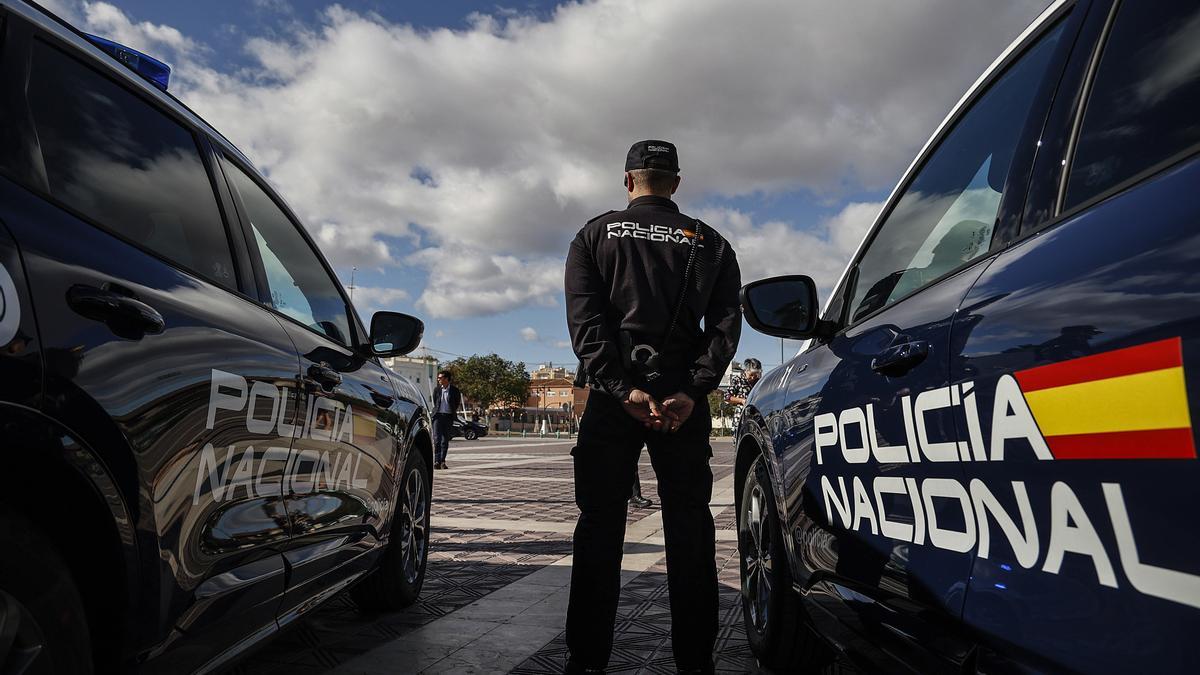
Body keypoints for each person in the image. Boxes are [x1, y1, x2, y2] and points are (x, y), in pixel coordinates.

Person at [564, 139, 741, 674]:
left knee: (599, 525)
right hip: (682, 406)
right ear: (677, 184)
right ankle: (695, 660)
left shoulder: (594, 235)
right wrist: (693, 389)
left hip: (613, 402)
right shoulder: (710, 242)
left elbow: (586, 324)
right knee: (689, 526)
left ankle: (587, 660)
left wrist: (621, 390)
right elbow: (726, 325)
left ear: (628, 181)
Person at [431, 370, 461, 470]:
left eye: (440, 378)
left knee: (445, 440)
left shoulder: (455, 390)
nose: (438, 379)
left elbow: (456, 403)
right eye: (438, 378)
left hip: (448, 417)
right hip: (437, 417)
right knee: (436, 440)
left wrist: (452, 412)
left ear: (446, 379)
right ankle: (436, 461)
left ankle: (443, 461)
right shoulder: (437, 390)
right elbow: (435, 402)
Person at [723, 357, 762, 430]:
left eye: (755, 375)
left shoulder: (759, 382)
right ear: (746, 371)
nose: (753, 377)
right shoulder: (738, 380)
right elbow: (727, 397)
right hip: (741, 417)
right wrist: (742, 400)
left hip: (755, 417)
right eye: (751, 375)